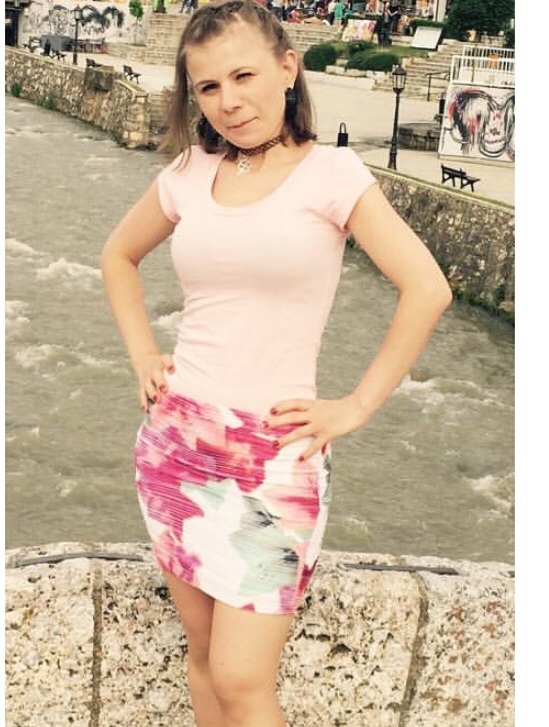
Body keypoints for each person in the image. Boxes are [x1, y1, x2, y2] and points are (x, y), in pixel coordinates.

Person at [100, 1, 452, 725]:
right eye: (207, 86)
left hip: (274, 456)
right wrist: (143, 355)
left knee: (242, 679)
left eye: (243, 76)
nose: (228, 101)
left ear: (288, 68)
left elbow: (427, 289)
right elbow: (117, 256)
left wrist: (354, 406)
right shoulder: (189, 171)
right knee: (203, 658)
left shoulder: (332, 174)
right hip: (175, 443)